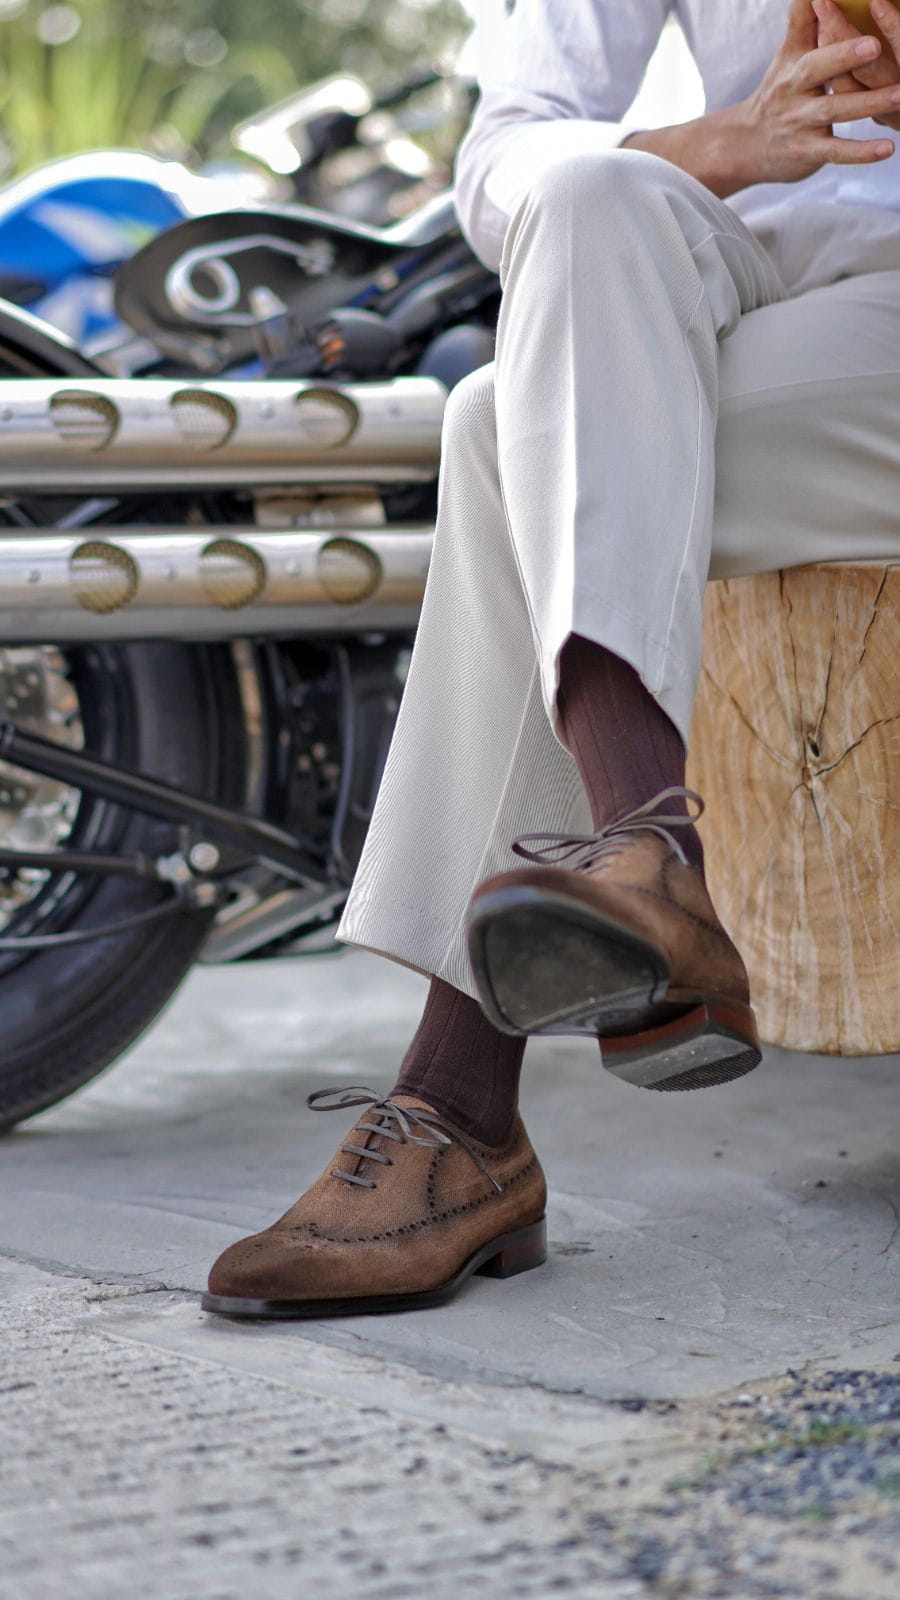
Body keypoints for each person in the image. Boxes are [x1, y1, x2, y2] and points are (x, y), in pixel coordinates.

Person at [203, 0, 900, 1319]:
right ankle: (648, 849)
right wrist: (718, 140)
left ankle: (459, 1109)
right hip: (747, 293)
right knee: (590, 194)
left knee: (495, 429)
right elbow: (507, 150)